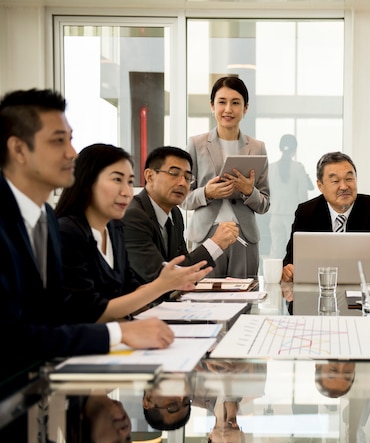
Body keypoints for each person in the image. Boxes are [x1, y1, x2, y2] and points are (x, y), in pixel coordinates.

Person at [0, 88, 174, 382]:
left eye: (70, 139)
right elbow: (12, 337)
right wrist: (118, 332)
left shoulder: (46, 222)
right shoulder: (52, 227)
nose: (72, 153)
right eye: (58, 141)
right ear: (18, 150)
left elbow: (55, 320)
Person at [55, 143, 208, 323]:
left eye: (129, 182)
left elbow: (131, 290)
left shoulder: (114, 229)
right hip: (85, 344)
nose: (127, 192)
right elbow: (87, 311)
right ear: (87, 181)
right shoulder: (67, 233)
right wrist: (161, 285)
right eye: (117, 180)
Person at [181, 76, 270, 278]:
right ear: (212, 106)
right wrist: (207, 193)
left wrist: (249, 191)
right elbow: (183, 199)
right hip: (206, 235)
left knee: (244, 299)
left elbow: (265, 204)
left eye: (235, 103)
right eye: (222, 102)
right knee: (204, 301)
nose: (228, 109)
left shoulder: (257, 148)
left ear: (245, 108)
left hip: (244, 237)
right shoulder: (196, 144)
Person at [122, 146, 239, 285]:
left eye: (187, 177)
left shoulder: (175, 213)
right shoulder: (133, 216)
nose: (182, 183)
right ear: (150, 176)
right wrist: (216, 243)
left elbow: (183, 264)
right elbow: (160, 277)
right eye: (174, 173)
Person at [281, 151, 370, 282]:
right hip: (316, 291)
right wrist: (287, 269)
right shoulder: (306, 212)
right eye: (335, 181)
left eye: (349, 179)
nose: (344, 186)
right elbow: (292, 257)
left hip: (362, 292)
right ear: (320, 185)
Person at [267, 134, 314, 259]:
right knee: (293, 249)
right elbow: (302, 193)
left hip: (275, 214)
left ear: (280, 148)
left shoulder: (271, 168)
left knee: (276, 249)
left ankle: (274, 277)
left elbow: (267, 192)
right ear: (295, 149)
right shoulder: (298, 168)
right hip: (292, 214)